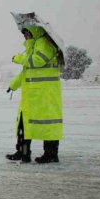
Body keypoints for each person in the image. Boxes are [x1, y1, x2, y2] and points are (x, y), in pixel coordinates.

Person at [6, 25, 63, 163]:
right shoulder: (33, 46)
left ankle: (50, 154)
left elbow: (37, 61)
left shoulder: (44, 43)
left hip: (45, 94)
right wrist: (12, 85)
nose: (24, 36)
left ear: (34, 31)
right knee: (23, 123)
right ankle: (23, 153)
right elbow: (26, 72)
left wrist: (17, 58)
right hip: (33, 95)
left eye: (26, 33)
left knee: (48, 124)